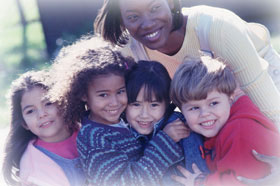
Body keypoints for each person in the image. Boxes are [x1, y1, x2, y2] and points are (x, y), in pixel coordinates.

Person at [94, 0, 280, 129]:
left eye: (155, 7)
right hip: (208, 110)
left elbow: (271, 109)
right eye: (133, 17)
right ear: (123, 21)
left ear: (172, 3)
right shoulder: (130, 51)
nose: (148, 23)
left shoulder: (217, 28)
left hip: (264, 89)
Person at [49, 36, 189, 186]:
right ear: (83, 94)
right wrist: (165, 141)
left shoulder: (122, 119)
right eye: (103, 95)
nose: (114, 102)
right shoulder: (94, 138)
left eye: (121, 91)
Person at [169, 56, 280, 186]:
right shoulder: (226, 122)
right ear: (182, 109)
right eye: (194, 108)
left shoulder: (240, 131)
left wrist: (202, 181)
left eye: (213, 103)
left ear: (230, 98)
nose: (205, 114)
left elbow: (242, 180)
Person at [125, 60, 209, 185]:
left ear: (167, 103)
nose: (144, 114)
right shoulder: (119, 136)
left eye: (154, 105)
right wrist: (164, 141)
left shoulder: (179, 126)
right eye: (136, 104)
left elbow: (198, 171)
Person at [2, 70, 85, 186]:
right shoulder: (31, 168)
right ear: (24, 123)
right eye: (30, 111)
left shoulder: (91, 132)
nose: (42, 114)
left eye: (48, 103)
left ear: (63, 102)